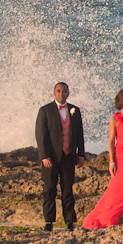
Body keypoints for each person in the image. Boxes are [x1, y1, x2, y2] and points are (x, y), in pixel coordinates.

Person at [82, 88, 123, 229]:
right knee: (118, 190)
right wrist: (111, 162)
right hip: (121, 158)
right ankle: (107, 216)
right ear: (120, 102)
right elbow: (111, 142)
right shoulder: (115, 120)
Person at [35, 82, 86, 232]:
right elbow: (40, 135)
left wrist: (81, 155)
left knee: (68, 189)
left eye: (64, 91)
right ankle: (49, 221)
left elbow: (79, 135)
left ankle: (70, 221)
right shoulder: (45, 111)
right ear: (54, 93)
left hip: (68, 156)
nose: (61, 94)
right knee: (49, 189)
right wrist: (44, 156)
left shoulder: (75, 110)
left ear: (68, 93)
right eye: (58, 91)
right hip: (51, 158)